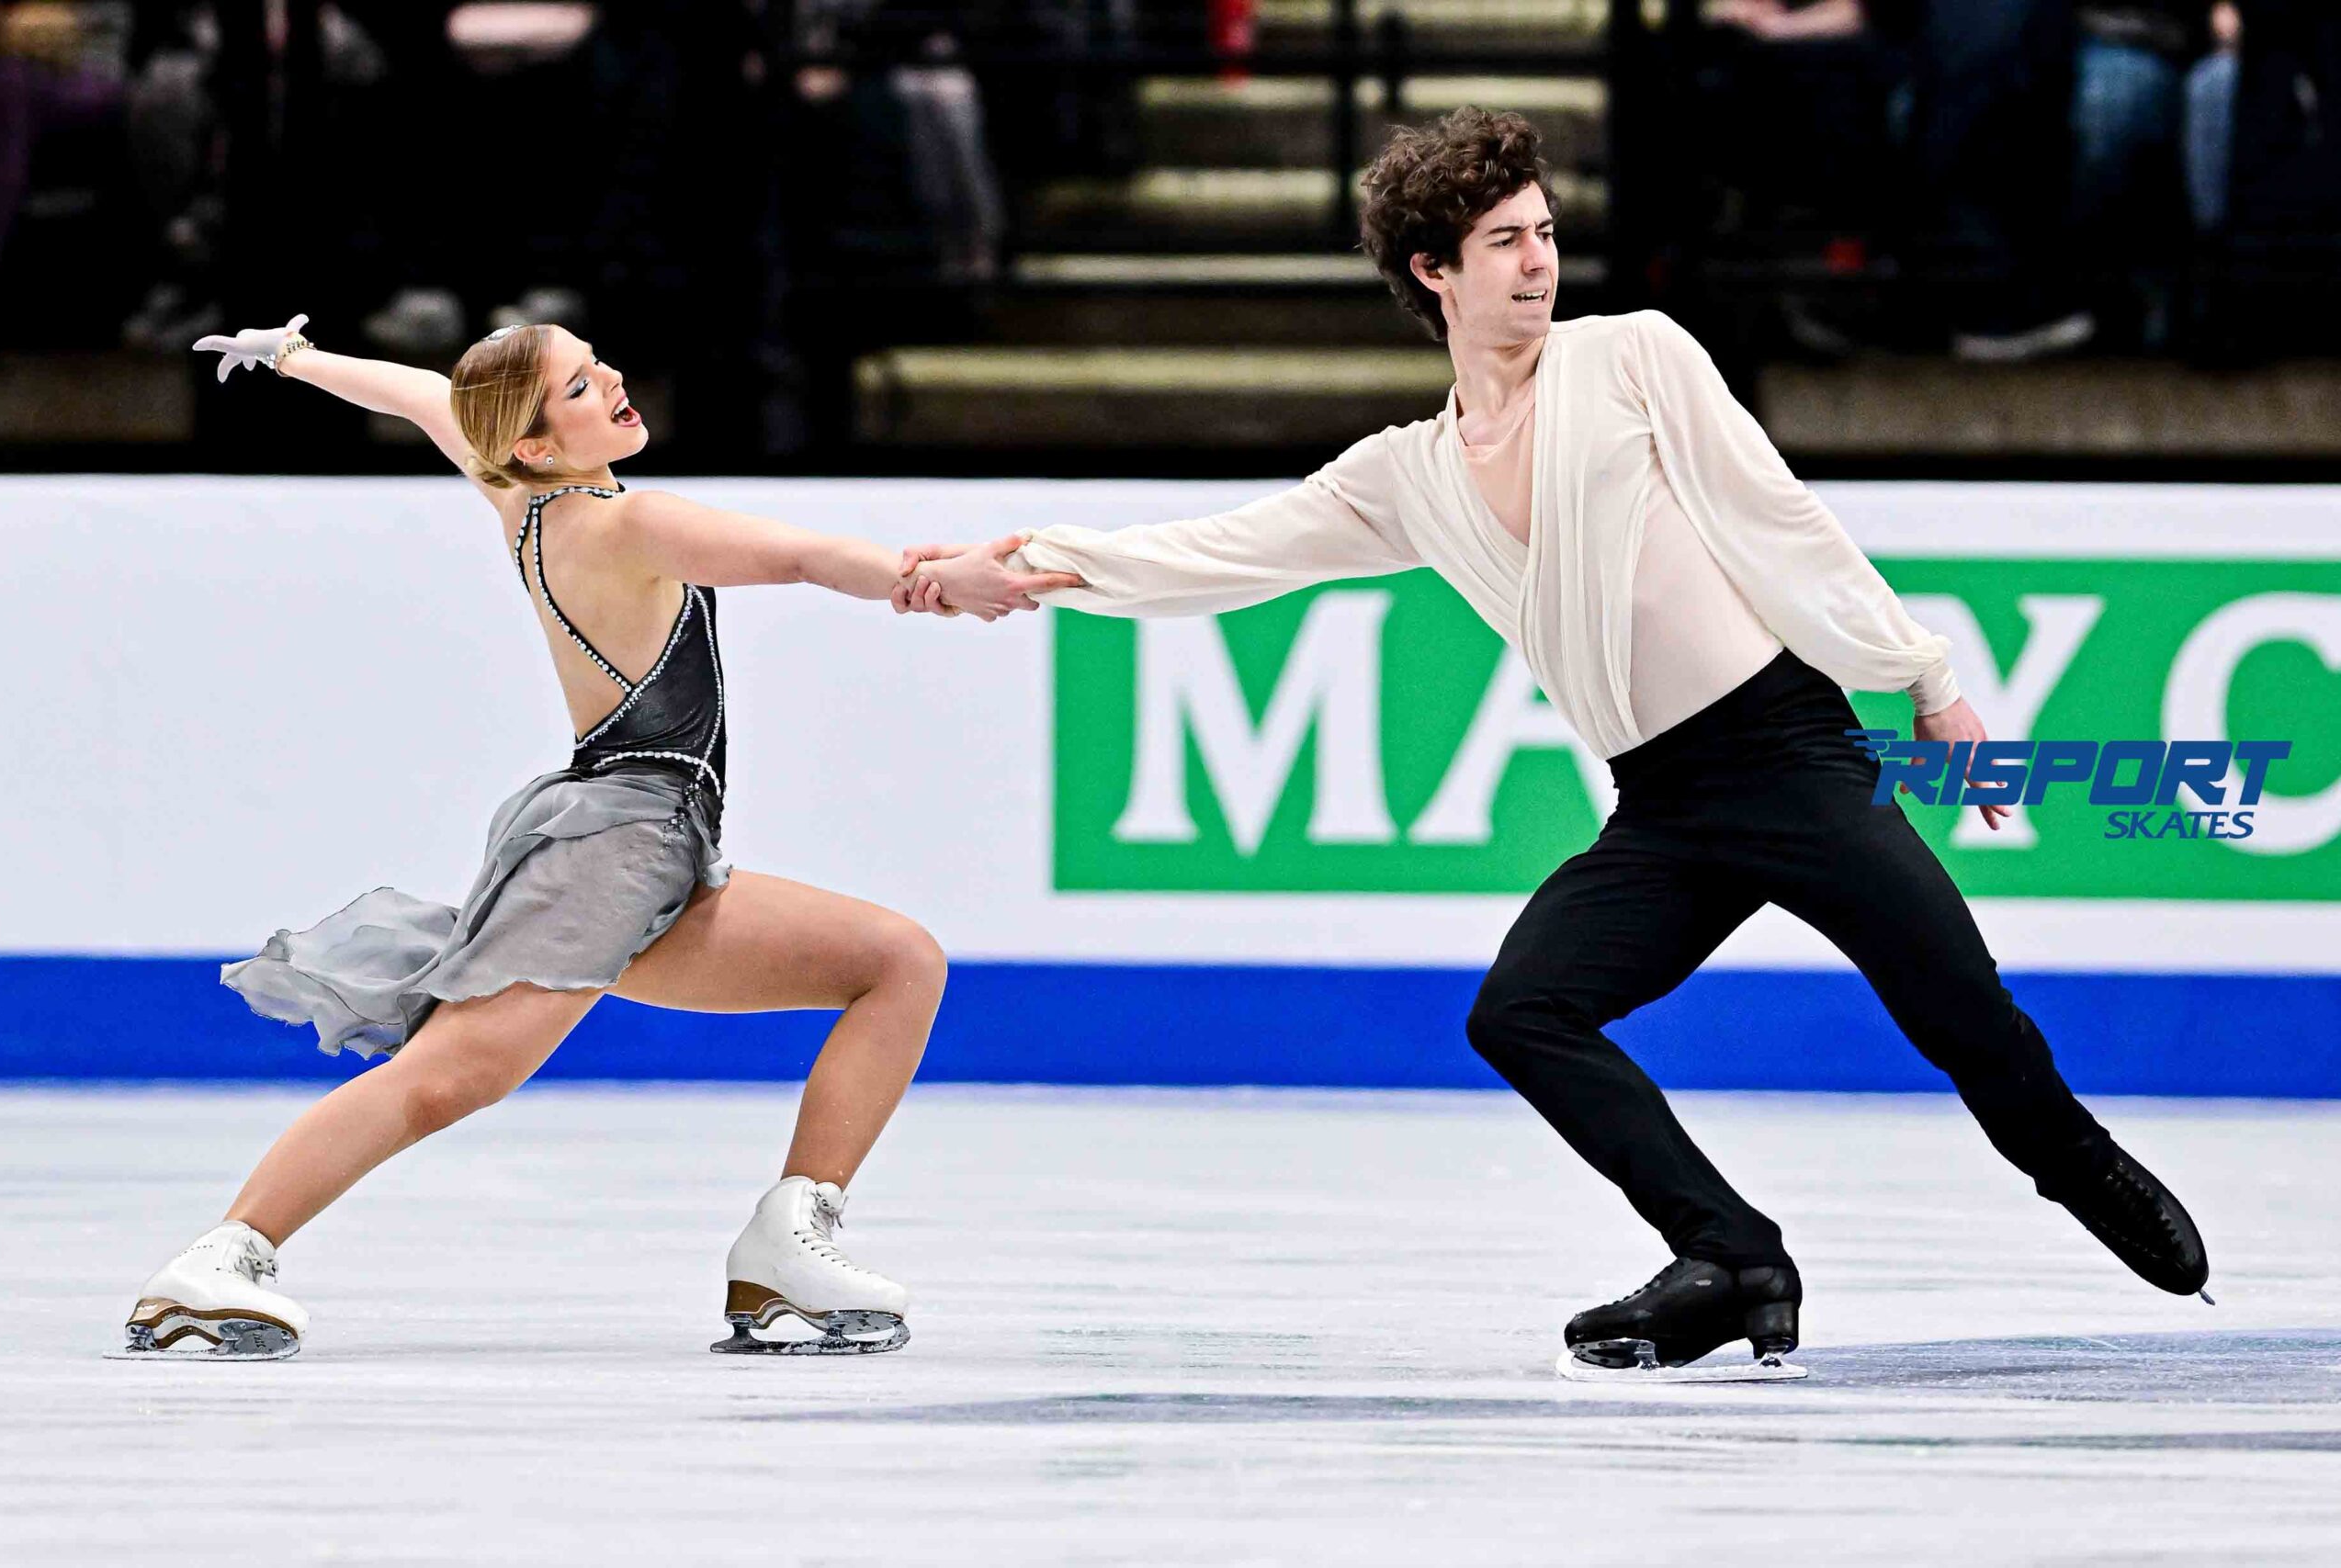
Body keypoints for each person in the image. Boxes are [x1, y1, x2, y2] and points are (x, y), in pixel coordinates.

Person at [896, 108, 2211, 1378]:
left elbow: (1780, 519)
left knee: (1962, 1013)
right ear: (1434, 271)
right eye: (1506, 241)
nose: (1538, 261)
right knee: (1520, 1011)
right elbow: (1221, 553)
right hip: (1666, 805)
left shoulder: (1634, 356)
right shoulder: (1406, 473)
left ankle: (2070, 1159)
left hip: (1794, 753)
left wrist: (1921, 678)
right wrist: (1031, 563)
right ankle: (1731, 1253)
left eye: (1544, 232)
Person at [114, 315, 1075, 1360]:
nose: (611, 379)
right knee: (448, 1077)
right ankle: (221, 1259)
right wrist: (925, 580)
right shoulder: (630, 523)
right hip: (616, 850)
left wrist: (296, 359)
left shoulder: (518, 496)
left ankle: (789, 1245)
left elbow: (423, 395)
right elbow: (801, 556)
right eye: (579, 386)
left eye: (595, 363)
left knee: (895, 960)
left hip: (649, 847)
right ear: (535, 442)